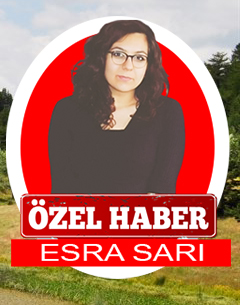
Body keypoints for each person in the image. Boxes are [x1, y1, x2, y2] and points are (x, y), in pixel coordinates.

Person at [48, 20, 184, 194]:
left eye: (140, 58)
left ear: (149, 65)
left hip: (144, 220)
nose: (128, 66)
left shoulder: (167, 112)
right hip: (79, 220)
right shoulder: (67, 111)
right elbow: (62, 191)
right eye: (118, 54)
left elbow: (162, 193)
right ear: (101, 57)